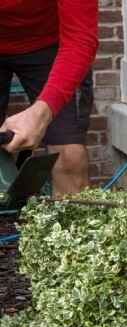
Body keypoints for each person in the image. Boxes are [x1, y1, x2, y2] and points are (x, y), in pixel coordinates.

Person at [0, 0, 99, 196]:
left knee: (70, 156)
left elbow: (79, 38)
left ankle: (71, 223)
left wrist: (42, 113)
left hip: (50, 45)